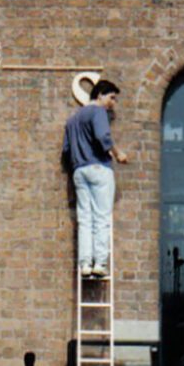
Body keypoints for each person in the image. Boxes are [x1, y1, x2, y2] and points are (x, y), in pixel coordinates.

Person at [61, 79, 128, 277]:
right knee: (101, 217)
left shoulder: (72, 120)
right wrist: (118, 153)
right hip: (98, 167)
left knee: (85, 219)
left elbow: (66, 150)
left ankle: (84, 264)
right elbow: (103, 136)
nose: (113, 103)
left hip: (79, 171)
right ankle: (99, 263)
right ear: (99, 95)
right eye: (112, 97)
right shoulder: (98, 112)